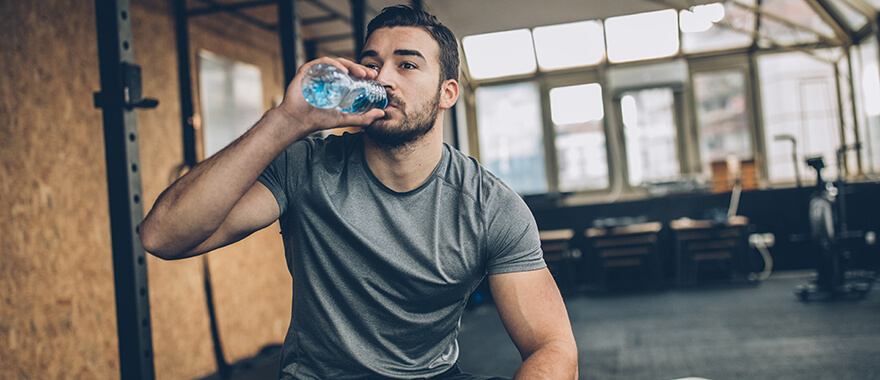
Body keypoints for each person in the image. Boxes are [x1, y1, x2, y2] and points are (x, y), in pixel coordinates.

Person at [139, 5, 577, 380]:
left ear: (447, 93)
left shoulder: (489, 207)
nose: (384, 77)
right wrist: (286, 122)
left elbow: (553, 348)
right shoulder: (306, 165)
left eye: (407, 64)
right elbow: (163, 236)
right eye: (373, 63)